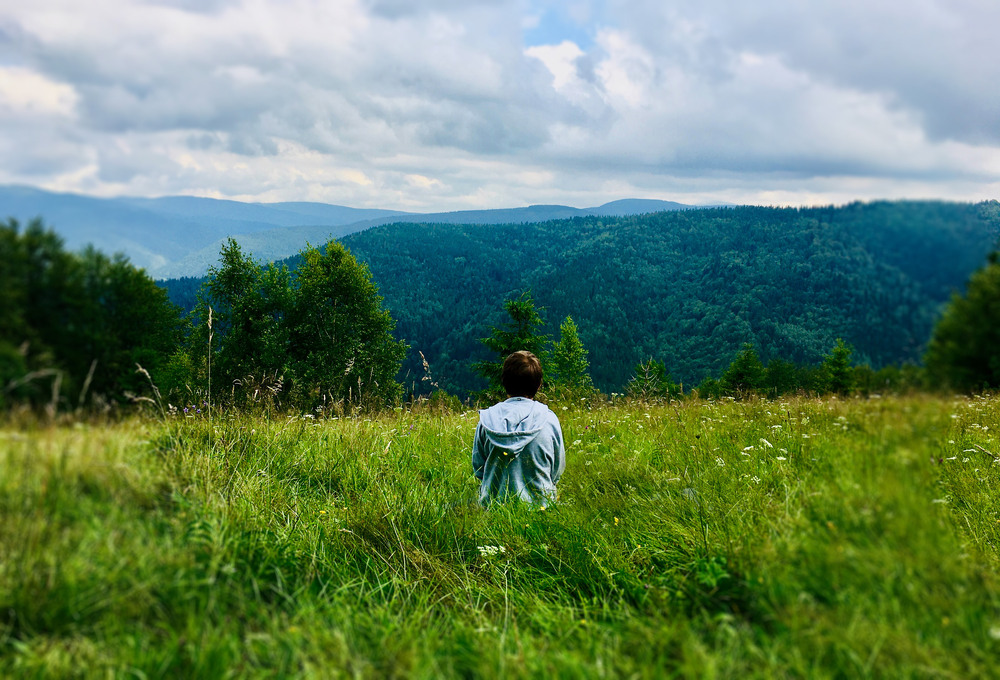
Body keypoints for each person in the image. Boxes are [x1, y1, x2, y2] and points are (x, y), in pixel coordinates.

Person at [472, 350, 565, 506]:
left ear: (504, 382)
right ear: (539, 384)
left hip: (494, 510)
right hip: (541, 510)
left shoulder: (487, 421)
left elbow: (479, 469)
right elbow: (556, 470)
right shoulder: (549, 419)